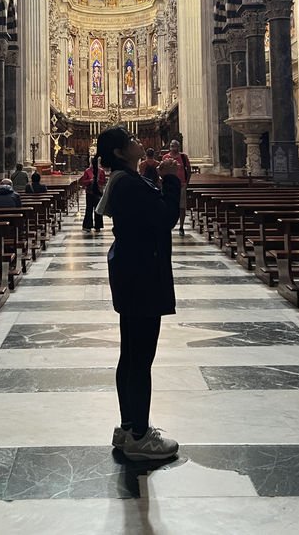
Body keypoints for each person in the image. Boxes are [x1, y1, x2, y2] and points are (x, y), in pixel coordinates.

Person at [96, 126, 180, 461]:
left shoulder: (125, 181)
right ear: (118, 152)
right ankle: (141, 436)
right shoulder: (128, 183)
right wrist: (172, 180)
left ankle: (129, 427)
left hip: (132, 273)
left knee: (130, 355)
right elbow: (165, 218)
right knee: (140, 359)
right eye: (132, 142)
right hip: (143, 276)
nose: (139, 142)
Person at [162, 139, 191, 236]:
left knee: (182, 206)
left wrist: (187, 182)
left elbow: (189, 169)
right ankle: (168, 224)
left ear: (178, 147)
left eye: (174, 145)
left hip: (181, 184)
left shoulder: (183, 157)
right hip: (169, 185)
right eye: (171, 145)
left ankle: (181, 227)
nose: (173, 147)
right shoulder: (166, 157)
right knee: (168, 205)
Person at [80, 154, 106, 232]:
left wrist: (98, 181)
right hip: (90, 192)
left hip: (98, 192)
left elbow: (104, 182)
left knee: (97, 209)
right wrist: (90, 181)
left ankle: (98, 226)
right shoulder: (87, 171)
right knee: (89, 209)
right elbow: (83, 182)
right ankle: (87, 226)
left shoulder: (101, 171)